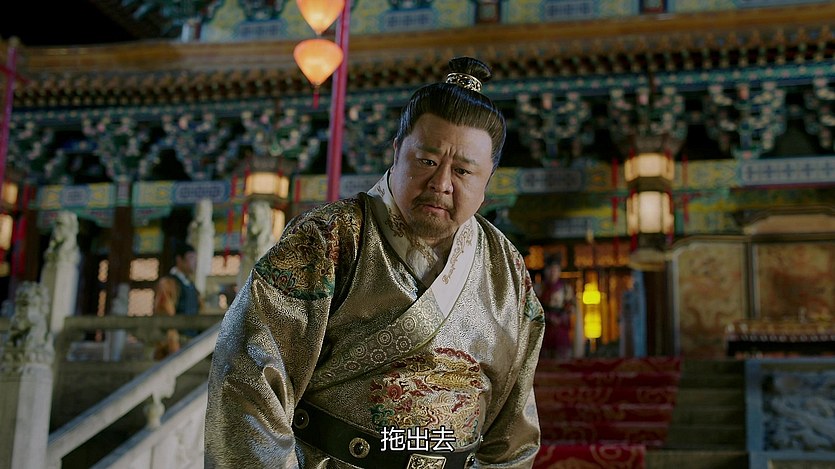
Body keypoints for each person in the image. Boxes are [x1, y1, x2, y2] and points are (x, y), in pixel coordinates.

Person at [206, 57, 545, 468]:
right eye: (427, 161)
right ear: (397, 152)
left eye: (463, 171)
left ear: (488, 179)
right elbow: (248, 380)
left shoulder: (505, 269)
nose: (441, 183)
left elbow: (513, 429)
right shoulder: (328, 238)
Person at [153, 240, 201, 358]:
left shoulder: (192, 286)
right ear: (179, 260)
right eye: (191, 258)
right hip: (174, 343)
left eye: (195, 258)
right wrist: (173, 345)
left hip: (193, 341)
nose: (195, 262)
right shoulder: (167, 284)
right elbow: (166, 316)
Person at [538, 254, 574, 360]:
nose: (552, 272)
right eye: (550, 269)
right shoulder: (539, 288)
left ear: (559, 271)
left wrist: (561, 318)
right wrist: (547, 317)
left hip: (561, 330)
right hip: (545, 330)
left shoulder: (566, 289)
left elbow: (571, 308)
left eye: (555, 269)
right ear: (545, 271)